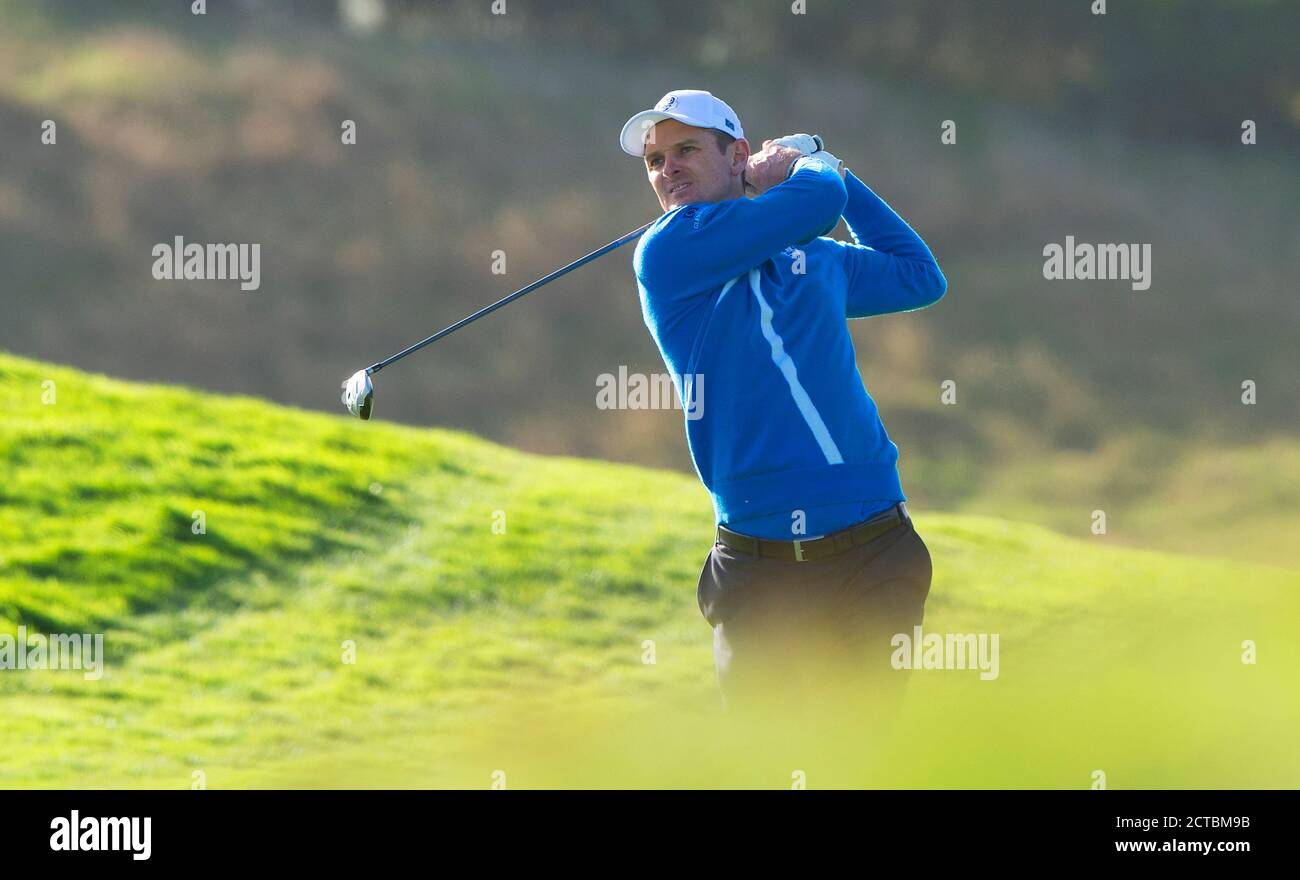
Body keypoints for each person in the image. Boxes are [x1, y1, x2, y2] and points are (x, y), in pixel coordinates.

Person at [620, 90, 948, 726]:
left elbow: (918, 275)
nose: (667, 169)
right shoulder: (667, 252)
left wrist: (841, 175)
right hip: (757, 571)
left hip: (874, 550)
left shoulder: (814, 257)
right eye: (655, 161)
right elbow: (817, 199)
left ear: (737, 155)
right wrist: (811, 165)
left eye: (685, 149)